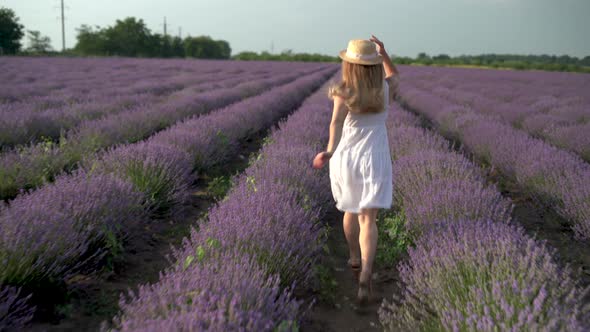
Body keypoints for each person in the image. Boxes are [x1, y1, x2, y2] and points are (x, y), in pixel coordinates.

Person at [312, 35, 399, 305]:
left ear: (349, 65)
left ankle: (353, 257)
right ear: (374, 65)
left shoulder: (343, 90)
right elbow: (394, 75)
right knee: (368, 220)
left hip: (347, 156)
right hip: (375, 156)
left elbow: (335, 124)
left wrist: (328, 150)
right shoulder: (384, 89)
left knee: (350, 211)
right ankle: (366, 277)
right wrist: (384, 54)